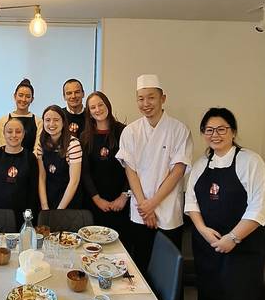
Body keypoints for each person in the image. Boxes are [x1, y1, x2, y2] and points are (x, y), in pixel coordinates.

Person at [185, 107, 265, 300]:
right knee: (209, 299)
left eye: (221, 129)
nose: (215, 134)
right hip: (208, 247)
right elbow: (191, 202)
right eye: (209, 130)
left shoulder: (251, 161)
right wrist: (203, 230)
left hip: (242, 250)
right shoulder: (201, 164)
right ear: (203, 133)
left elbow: (260, 207)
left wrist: (233, 238)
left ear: (233, 132)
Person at [116, 74, 193, 272]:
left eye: (151, 97)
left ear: (163, 98)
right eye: (140, 98)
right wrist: (144, 206)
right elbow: (130, 170)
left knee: (167, 271)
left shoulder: (179, 130)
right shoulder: (131, 131)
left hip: (167, 210)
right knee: (140, 266)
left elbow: (178, 171)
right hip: (140, 210)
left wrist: (153, 203)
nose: (145, 103)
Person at [80, 92, 131, 251]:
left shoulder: (125, 132)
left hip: (121, 202)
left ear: (107, 104)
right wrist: (97, 199)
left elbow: (133, 168)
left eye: (100, 104)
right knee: (95, 248)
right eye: (92, 107)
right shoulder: (85, 136)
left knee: (120, 249)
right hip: (95, 202)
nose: (97, 109)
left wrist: (124, 196)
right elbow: (85, 172)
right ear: (89, 112)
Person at [0, 117, 39, 222]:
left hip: (23, 217)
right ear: (4, 133)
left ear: (23, 134)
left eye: (18, 131)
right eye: (9, 131)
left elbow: (33, 192)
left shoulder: (30, 158)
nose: (14, 135)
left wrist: (29, 217)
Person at [37, 105, 83, 210]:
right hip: (48, 197)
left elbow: (74, 181)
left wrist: (60, 210)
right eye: (47, 120)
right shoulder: (42, 143)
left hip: (68, 200)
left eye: (56, 120)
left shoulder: (73, 144)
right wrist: (45, 206)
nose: (51, 124)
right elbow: (41, 176)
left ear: (63, 122)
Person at [0, 79, 42, 152]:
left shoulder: (39, 122)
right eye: (20, 95)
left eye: (27, 96)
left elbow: (37, 149)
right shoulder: (3, 121)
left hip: (31, 161)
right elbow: (2, 147)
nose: (23, 99)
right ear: (15, 96)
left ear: (32, 99)